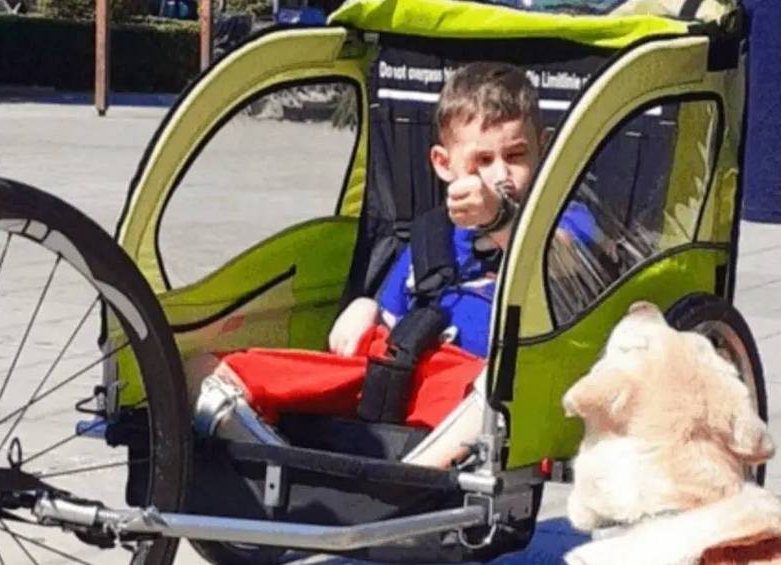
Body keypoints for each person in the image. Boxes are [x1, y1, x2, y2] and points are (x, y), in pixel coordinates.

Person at [188, 62, 597, 467]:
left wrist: (498, 218)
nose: (501, 175)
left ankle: (403, 481)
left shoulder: (567, 222)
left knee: (501, 389)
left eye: (516, 156)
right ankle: (285, 460)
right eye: (483, 161)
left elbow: (557, 262)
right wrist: (366, 307)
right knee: (203, 370)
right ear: (444, 164)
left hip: (474, 390)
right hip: (392, 376)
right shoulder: (432, 235)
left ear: (542, 150)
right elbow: (392, 321)